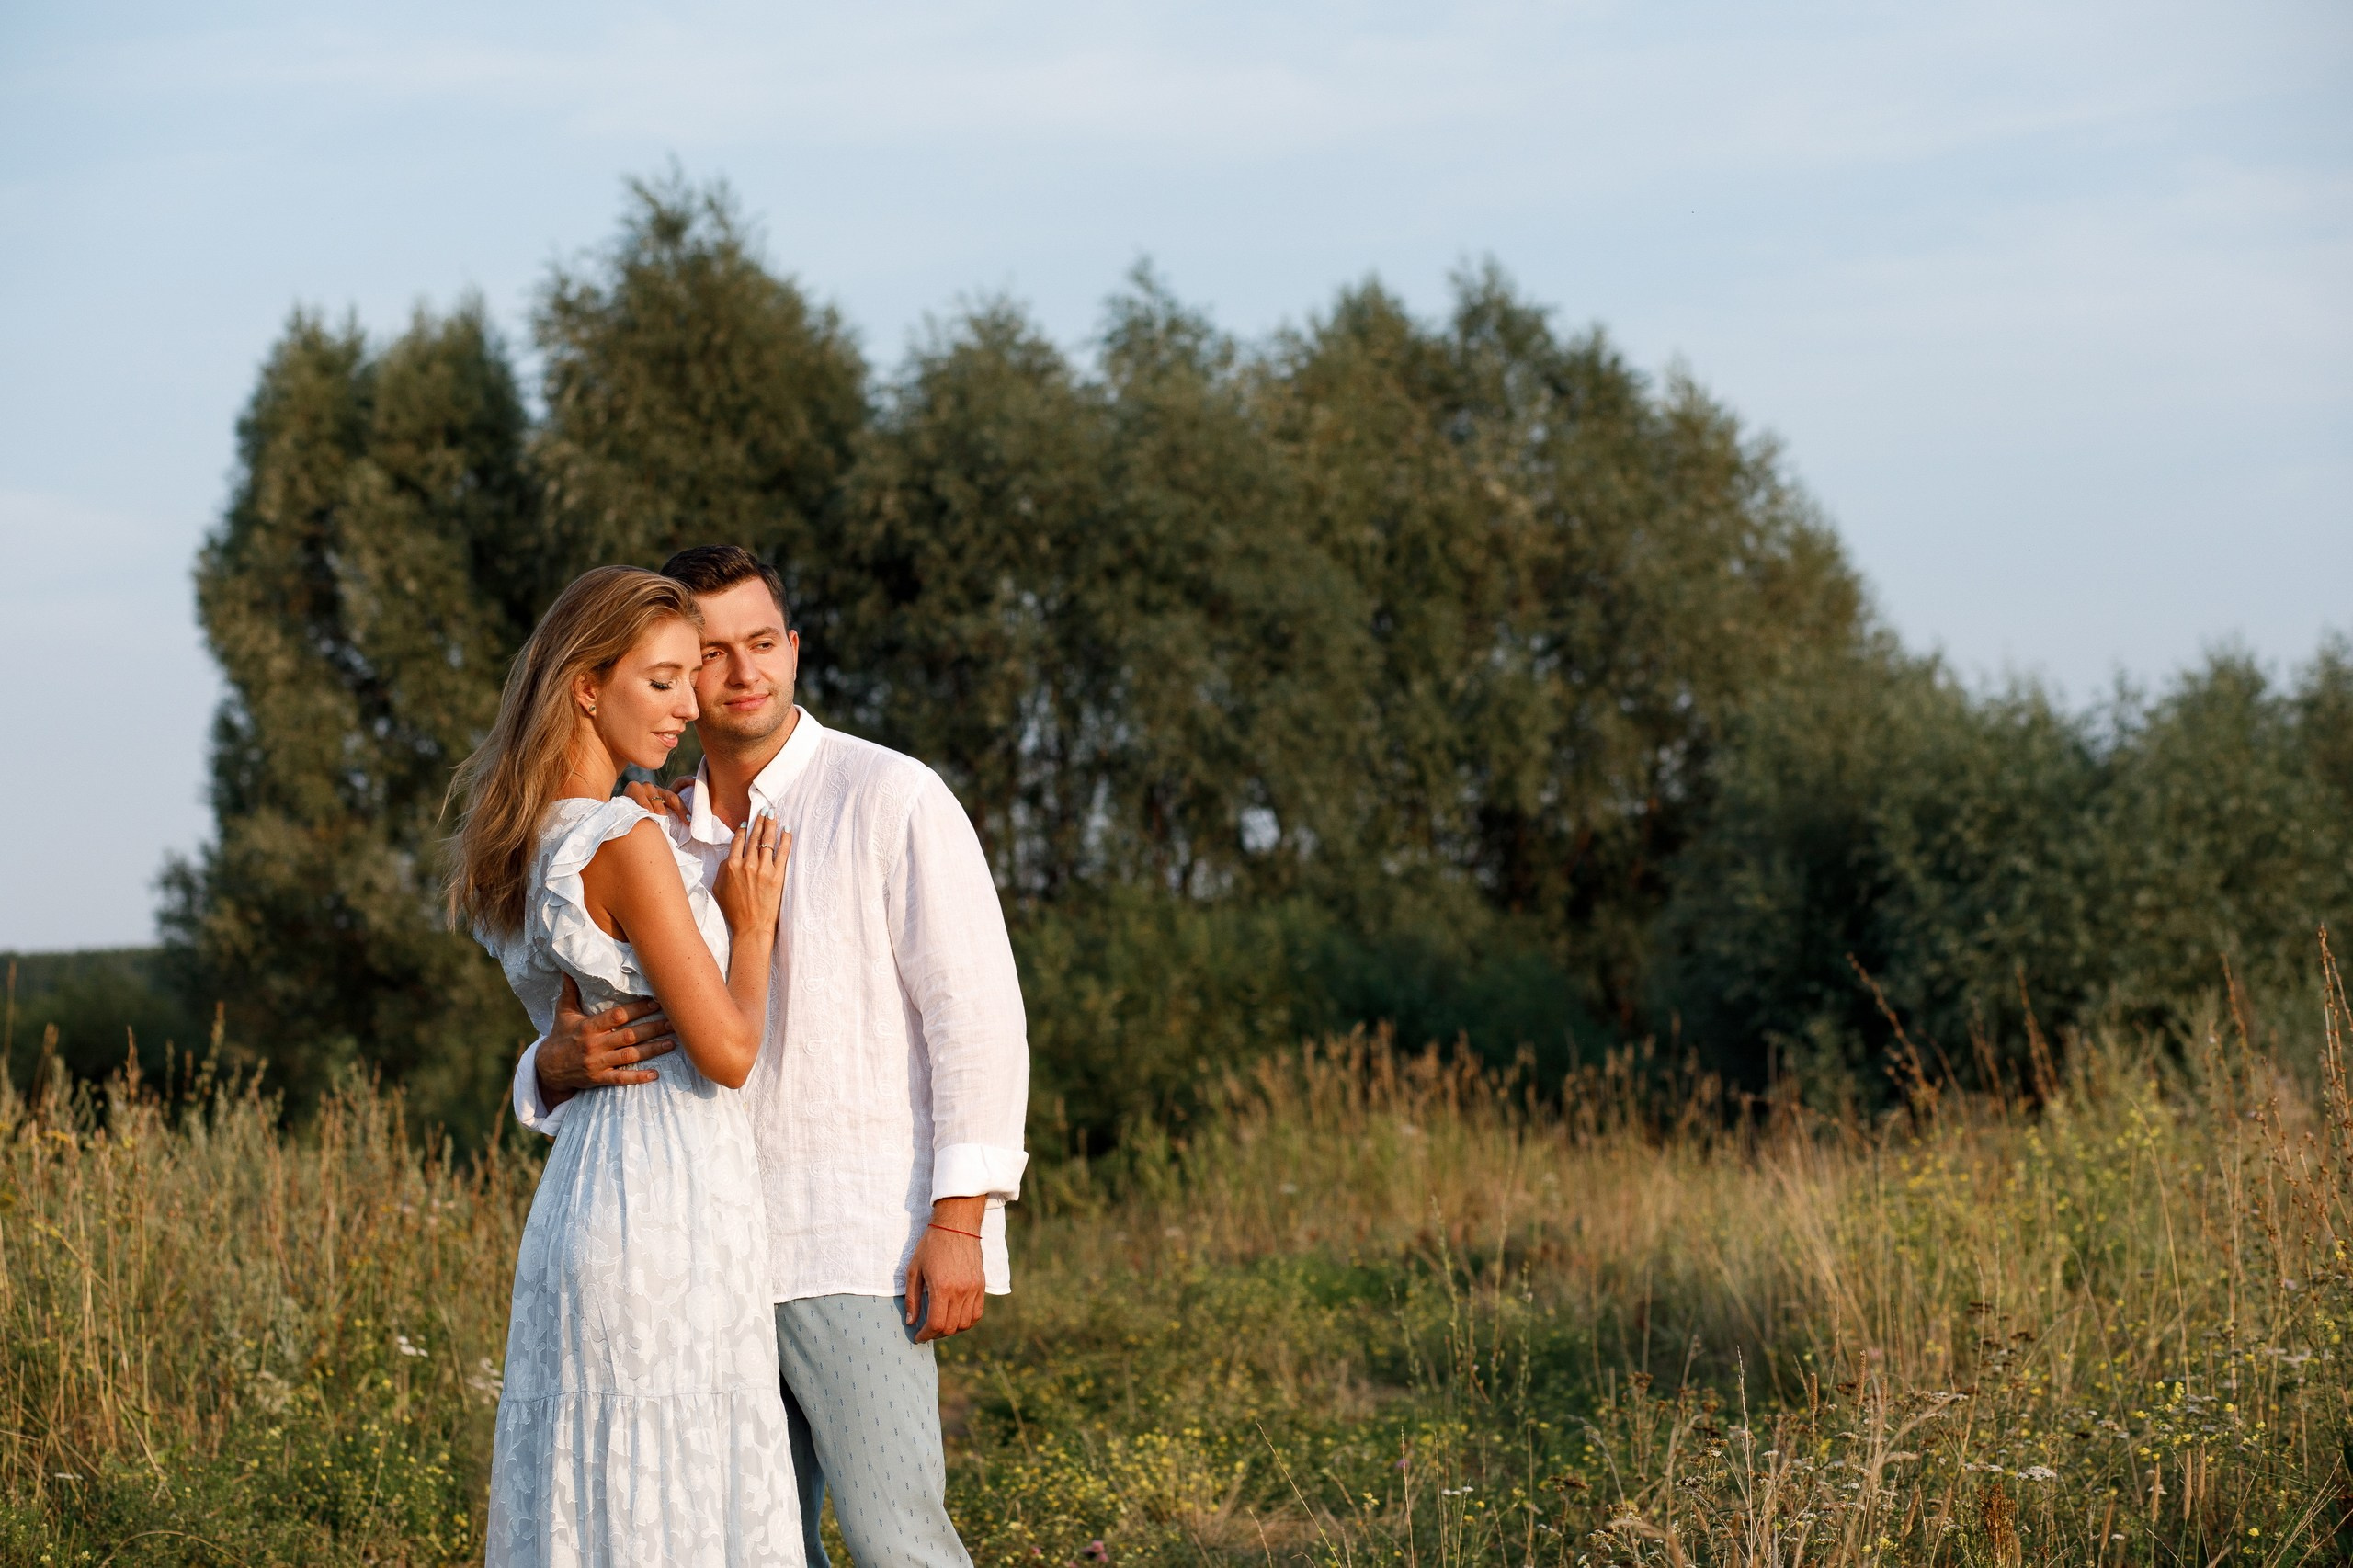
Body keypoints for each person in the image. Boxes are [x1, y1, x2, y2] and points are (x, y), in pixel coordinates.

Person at [508, 545, 1031, 1568]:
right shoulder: (649, 824)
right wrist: (547, 1069)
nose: (744, 673)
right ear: (672, 666)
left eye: (763, 644)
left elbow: (976, 1015)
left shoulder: (890, 794)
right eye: (710, 654)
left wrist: (961, 1218)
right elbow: (577, 1023)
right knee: (752, 1545)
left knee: (898, 1541)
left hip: (850, 1243)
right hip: (697, 1260)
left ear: (793, 648)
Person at [448, 565, 802, 1566]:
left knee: (597, 1485)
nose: (690, 705)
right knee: (677, 1488)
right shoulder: (624, 839)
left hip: (586, 1195)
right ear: (586, 686)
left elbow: (576, 1017)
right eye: (662, 680)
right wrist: (752, 924)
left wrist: (547, 1066)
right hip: (668, 1204)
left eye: (691, 677)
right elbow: (728, 1051)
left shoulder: (521, 846)